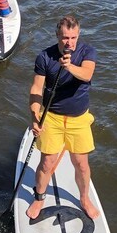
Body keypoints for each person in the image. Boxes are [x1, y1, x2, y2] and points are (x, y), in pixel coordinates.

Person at [26, 15, 100, 221]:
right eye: (65, 38)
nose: (70, 43)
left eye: (73, 37)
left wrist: (69, 67)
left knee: (81, 164)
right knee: (47, 163)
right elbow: (36, 89)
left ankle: (84, 199)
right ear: (57, 35)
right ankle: (39, 197)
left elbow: (87, 74)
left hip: (78, 119)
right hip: (52, 118)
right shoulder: (44, 57)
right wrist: (34, 115)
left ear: (79, 35)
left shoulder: (87, 51)